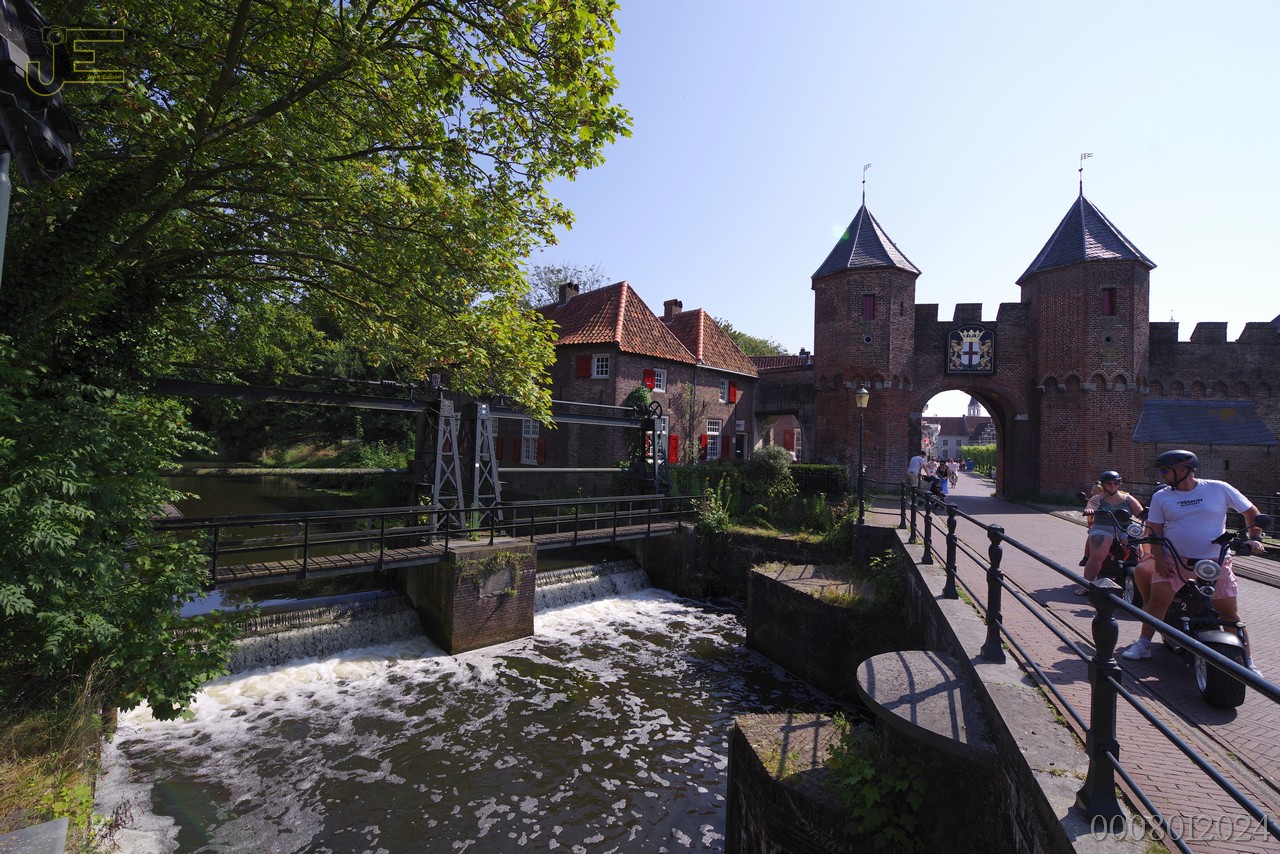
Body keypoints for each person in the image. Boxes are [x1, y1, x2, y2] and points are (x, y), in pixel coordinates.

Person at [1121, 450, 1267, 675]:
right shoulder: (1162, 496)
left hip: (1214, 562)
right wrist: (1159, 559)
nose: (1162, 475)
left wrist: (1254, 538)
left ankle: (1247, 661)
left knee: (1229, 613)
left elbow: (1251, 513)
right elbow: (1155, 530)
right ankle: (1143, 644)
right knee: (1157, 604)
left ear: (1183, 470)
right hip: (1174, 559)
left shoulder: (1218, 488)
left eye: (1164, 471)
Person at [1075, 471, 1143, 595]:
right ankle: (1086, 584)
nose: (1112, 486)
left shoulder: (1127, 498)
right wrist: (1090, 510)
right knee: (1097, 555)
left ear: (1119, 484)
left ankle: (1140, 586)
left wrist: (1147, 514)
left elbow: (1140, 512)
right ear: (1104, 484)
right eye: (1109, 483)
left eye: (1115, 483)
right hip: (1103, 527)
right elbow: (1091, 506)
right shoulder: (1098, 498)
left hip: (1124, 528)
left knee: (1137, 554)